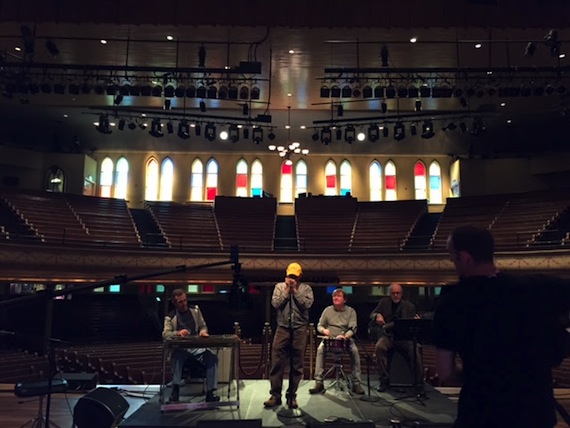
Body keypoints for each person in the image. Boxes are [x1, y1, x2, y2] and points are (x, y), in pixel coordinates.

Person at [433, 225, 570, 428]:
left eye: (452, 258)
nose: (453, 263)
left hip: (482, 412)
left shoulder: (451, 301)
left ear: (465, 257)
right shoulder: (537, 287)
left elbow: (445, 371)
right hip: (535, 411)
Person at [264, 262, 314, 409]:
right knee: (277, 362)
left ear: (300, 276)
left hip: (299, 329)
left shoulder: (306, 288)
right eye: (289, 276)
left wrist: (295, 291)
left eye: (294, 276)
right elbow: (275, 303)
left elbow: (306, 305)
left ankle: (292, 396)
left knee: (297, 364)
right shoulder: (279, 287)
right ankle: (275, 395)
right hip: (282, 328)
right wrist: (287, 291)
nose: (291, 279)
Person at [162, 288, 220, 403]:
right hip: (181, 349)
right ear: (174, 303)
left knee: (212, 358)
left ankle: (210, 392)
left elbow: (203, 326)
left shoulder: (196, 310)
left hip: (197, 347)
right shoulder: (170, 317)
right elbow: (165, 334)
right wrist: (177, 333)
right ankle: (175, 390)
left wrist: (202, 332)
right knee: (176, 358)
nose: (184, 304)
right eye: (180, 302)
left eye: (185, 300)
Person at [308, 288, 365, 395]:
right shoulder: (327, 310)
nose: (335, 298)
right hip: (329, 339)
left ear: (344, 300)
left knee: (355, 351)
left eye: (338, 296)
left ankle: (356, 383)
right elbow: (319, 325)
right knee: (320, 349)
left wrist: (345, 336)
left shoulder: (351, 311)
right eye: (334, 296)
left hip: (345, 339)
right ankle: (319, 382)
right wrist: (324, 330)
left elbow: (353, 328)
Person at [370, 282, 423, 392]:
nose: (395, 295)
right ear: (390, 294)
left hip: (404, 338)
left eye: (398, 293)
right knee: (379, 347)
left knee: (414, 351)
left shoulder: (409, 306)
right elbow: (373, 314)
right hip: (388, 336)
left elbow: (413, 324)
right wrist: (377, 316)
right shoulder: (384, 303)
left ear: (401, 294)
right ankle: (384, 380)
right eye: (393, 293)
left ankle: (418, 382)